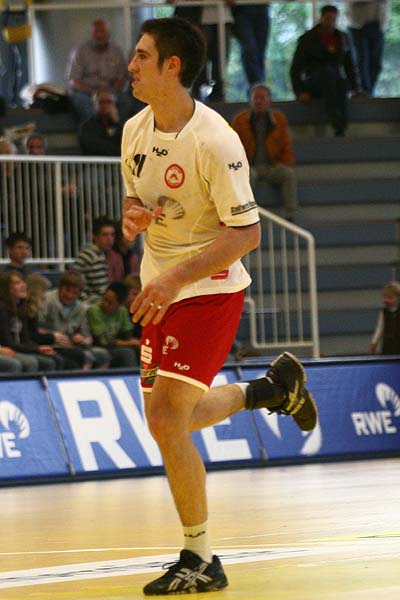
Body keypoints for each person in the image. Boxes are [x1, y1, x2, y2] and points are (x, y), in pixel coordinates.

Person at [121, 17, 317, 595]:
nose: (131, 65)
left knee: (166, 421)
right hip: (160, 284)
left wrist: (173, 280)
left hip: (207, 287)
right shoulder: (134, 128)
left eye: (142, 56)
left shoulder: (216, 140)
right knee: (171, 421)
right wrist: (134, 218)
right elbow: (133, 197)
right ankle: (268, 391)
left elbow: (246, 234)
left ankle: (201, 557)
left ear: (172, 67)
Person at [290, 5, 362, 136]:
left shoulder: (343, 38)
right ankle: (336, 120)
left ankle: (342, 125)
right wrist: (300, 91)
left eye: (333, 20)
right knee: (327, 74)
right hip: (314, 81)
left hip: (336, 81)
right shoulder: (307, 39)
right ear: (321, 18)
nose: (330, 23)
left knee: (341, 83)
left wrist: (355, 87)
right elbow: (296, 68)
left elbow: (349, 66)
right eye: (327, 19)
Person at [231, 84, 298, 221]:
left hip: (272, 166)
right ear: (250, 101)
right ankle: (244, 215)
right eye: (256, 98)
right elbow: (232, 148)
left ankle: (290, 214)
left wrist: (285, 163)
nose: (259, 102)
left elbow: (286, 146)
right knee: (249, 175)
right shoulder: (239, 121)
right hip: (249, 167)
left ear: (269, 100)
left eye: (262, 98)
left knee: (288, 174)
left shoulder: (279, 120)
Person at [38, 270, 110, 369]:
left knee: (103, 355)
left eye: (75, 293)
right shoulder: (47, 300)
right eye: (67, 290)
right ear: (60, 287)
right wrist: (52, 335)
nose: (69, 295)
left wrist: (83, 340)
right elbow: (36, 328)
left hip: (72, 346)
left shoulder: (81, 308)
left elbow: (88, 338)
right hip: (51, 344)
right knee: (84, 356)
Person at [65, 19, 128, 122]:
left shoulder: (117, 51)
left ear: (109, 34)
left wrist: (110, 93)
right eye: (96, 32)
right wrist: (94, 93)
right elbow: (73, 80)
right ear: (91, 34)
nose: (99, 35)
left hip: (111, 91)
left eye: (102, 31)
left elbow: (122, 77)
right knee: (81, 101)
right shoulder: (80, 51)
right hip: (87, 93)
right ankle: (95, 129)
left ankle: (118, 129)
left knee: (126, 100)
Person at [0, 271, 59, 372]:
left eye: (23, 281)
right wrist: (36, 349)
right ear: (6, 288)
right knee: (27, 363)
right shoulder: (2, 308)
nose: (23, 285)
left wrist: (39, 348)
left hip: (16, 348)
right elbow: (7, 342)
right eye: (17, 283)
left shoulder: (21, 307)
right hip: (6, 348)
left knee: (51, 361)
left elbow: (25, 339)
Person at [87, 282, 139, 368]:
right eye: (104, 299)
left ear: (120, 304)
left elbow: (128, 335)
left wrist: (138, 343)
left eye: (110, 302)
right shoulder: (94, 310)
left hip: (113, 346)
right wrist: (131, 343)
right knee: (127, 353)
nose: (105, 304)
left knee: (141, 350)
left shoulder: (122, 311)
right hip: (97, 347)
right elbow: (103, 342)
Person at [345, 0, 391, 95]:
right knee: (361, 61)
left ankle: (369, 91)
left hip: (379, 23)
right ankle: (365, 91)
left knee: (376, 64)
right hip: (357, 24)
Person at [74, 215, 115, 304]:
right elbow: (100, 290)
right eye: (105, 235)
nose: (109, 239)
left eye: (112, 235)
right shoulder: (92, 256)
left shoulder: (99, 254)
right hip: (87, 304)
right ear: (95, 237)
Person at [231, 3, 270, 89]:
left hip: (262, 7)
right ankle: (257, 86)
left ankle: (259, 87)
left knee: (260, 52)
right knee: (249, 50)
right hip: (241, 9)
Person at [78, 90, 123, 156]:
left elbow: (126, 142)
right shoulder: (87, 126)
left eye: (109, 102)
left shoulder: (121, 124)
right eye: (101, 102)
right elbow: (98, 147)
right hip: (95, 161)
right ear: (94, 105)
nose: (105, 105)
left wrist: (116, 122)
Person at [369, 281, 400, 355]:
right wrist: (374, 342)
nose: (386, 300)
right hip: (388, 343)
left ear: (398, 298)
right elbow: (379, 328)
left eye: (390, 298)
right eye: (385, 297)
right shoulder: (384, 312)